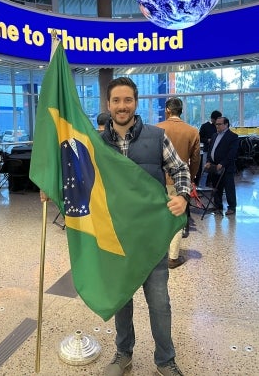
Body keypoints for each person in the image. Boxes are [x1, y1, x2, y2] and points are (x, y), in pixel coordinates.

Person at [100, 77, 191, 376]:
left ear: (135, 103)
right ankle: (123, 354)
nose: (122, 106)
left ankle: (165, 360)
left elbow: (180, 168)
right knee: (121, 301)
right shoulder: (97, 144)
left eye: (127, 100)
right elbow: (81, 182)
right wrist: (52, 188)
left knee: (159, 303)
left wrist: (182, 195)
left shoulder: (156, 136)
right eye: (116, 101)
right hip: (116, 238)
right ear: (109, 105)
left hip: (150, 240)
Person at [157, 97, 200, 268]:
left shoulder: (156, 129)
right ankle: (173, 257)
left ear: (167, 110)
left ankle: (157, 253)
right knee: (177, 216)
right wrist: (191, 178)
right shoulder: (192, 131)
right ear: (181, 110)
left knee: (159, 217)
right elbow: (195, 160)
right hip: (180, 182)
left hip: (158, 179)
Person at [205, 116, 239, 215]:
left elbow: (232, 153)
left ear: (226, 124)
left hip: (226, 168)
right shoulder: (215, 135)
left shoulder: (233, 136)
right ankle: (217, 205)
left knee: (229, 188)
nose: (217, 126)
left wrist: (222, 163)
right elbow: (211, 150)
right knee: (216, 187)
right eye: (216, 124)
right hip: (214, 166)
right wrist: (208, 160)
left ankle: (231, 207)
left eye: (219, 124)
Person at [198, 110, 222, 187]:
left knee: (218, 169)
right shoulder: (205, 126)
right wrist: (207, 140)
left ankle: (216, 185)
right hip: (207, 151)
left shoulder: (220, 126)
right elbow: (199, 138)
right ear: (213, 119)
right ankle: (202, 186)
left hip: (218, 152)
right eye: (217, 121)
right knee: (205, 169)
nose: (217, 123)